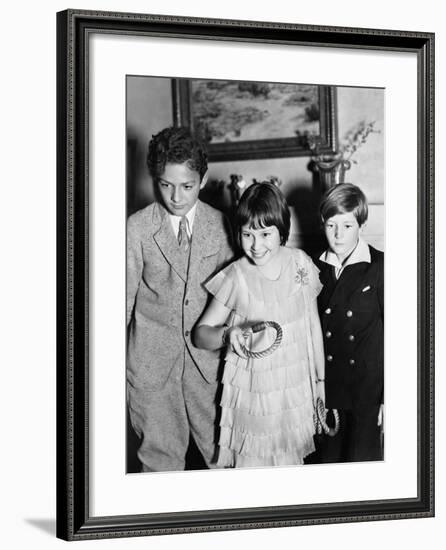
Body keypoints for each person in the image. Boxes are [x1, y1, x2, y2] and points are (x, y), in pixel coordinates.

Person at [194, 182, 325, 468]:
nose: (256, 245)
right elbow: (200, 335)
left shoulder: (300, 264)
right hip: (251, 401)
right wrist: (228, 334)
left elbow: (313, 327)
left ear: (282, 230)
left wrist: (320, 383)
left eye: (265, 234)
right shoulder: (236, 276)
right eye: (247, 234)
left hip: (291, 397)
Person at [126, 126, 233, 472]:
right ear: (155, 178)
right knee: (159, 466)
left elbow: (234, 299)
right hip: (151, 371)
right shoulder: (137, 228)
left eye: (186, 186)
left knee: (223, 459)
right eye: (165, 184)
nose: (175, 196)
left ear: (203, 180)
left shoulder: (222, 226)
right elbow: (120, 304)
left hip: (209, 370)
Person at [311, 183, 384, 463]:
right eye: (331, 225)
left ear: (361, 225)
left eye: (347, 225)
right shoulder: (314, 267)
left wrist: (390, 397)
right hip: (330, 388)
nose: (339, 234)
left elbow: (398, 337)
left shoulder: (379, 266)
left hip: (368, 391)